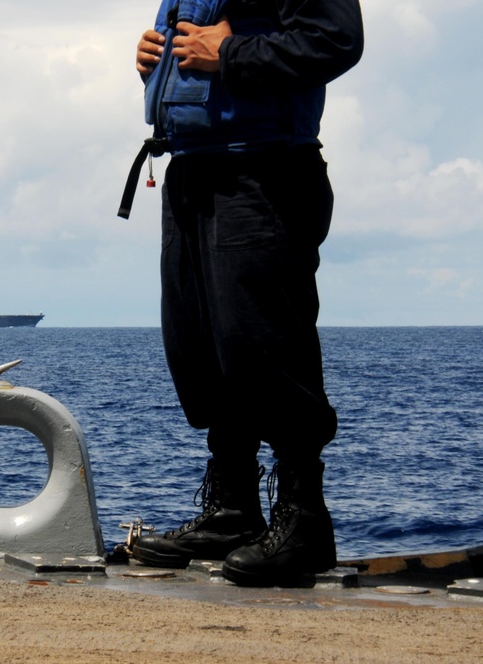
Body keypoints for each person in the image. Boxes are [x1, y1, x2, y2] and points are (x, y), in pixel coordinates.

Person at [128, 0, 364, 586]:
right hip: (192, 170)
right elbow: (203, 45)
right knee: (204, 348)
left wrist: (227, 52)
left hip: (264, 173)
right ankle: (232, 511)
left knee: (264, 346)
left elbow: (335, 40)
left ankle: (304, 524)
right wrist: (156, 66)